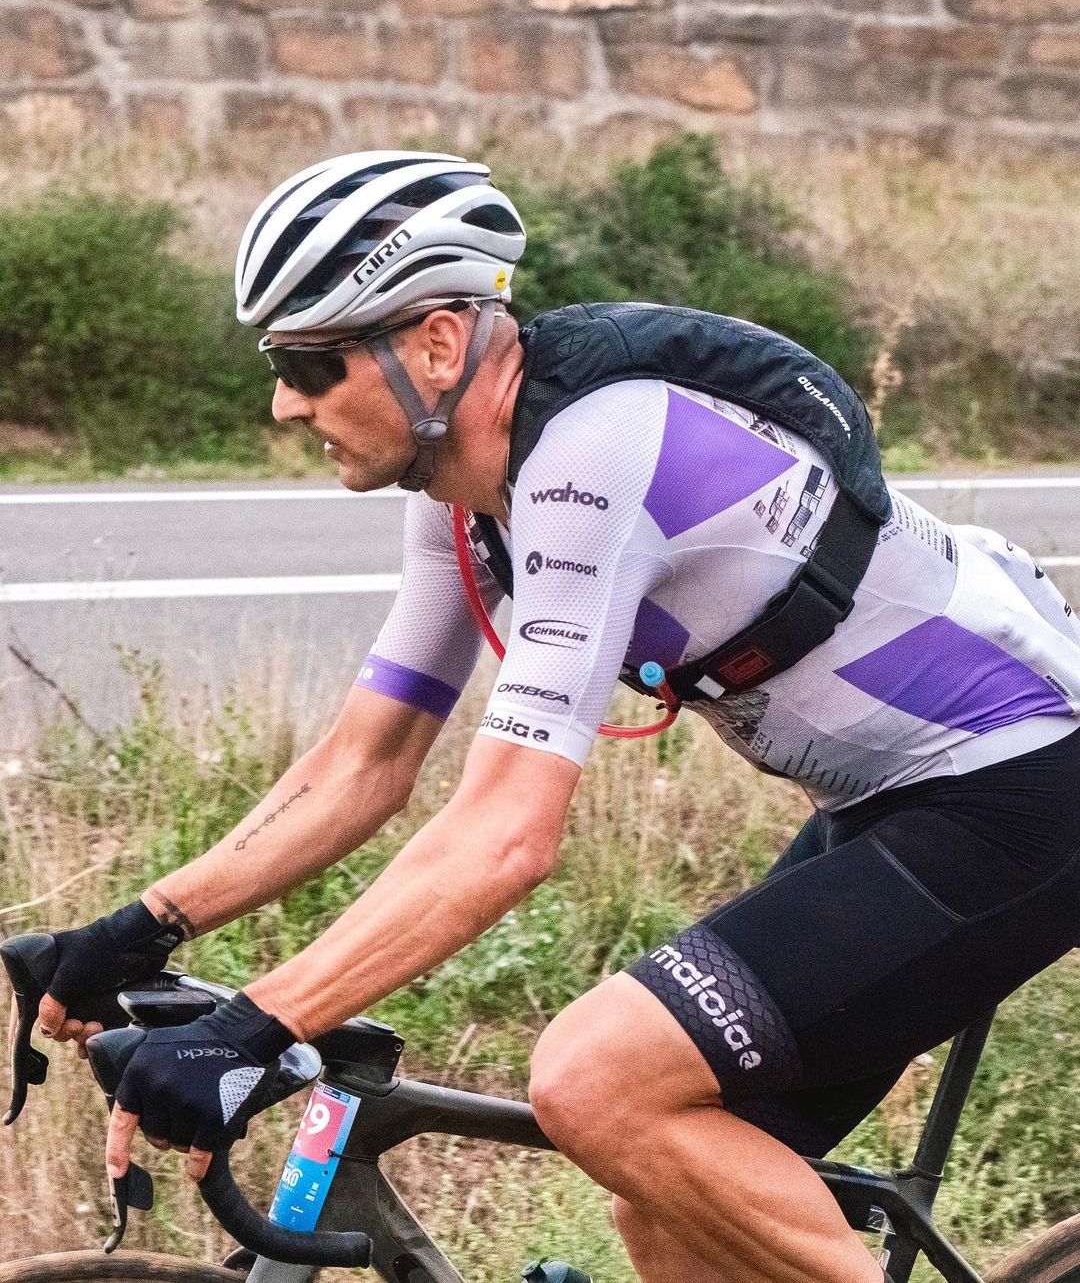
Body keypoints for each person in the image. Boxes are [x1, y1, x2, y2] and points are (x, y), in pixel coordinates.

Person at [26, 152, 1080, 1283]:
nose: (286, 402)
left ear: (437, 346)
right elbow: (367, 760)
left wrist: (255, 1027)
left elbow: (507, 837)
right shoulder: (463, 493)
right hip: (893, 798)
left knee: (598, 1083)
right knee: (670, 1198)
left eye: (310, 364)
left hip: (1020, 789)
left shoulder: (594, 457)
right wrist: (139, 927)